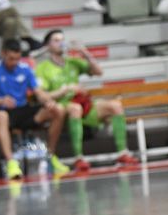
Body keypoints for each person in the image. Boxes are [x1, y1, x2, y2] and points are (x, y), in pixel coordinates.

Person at [36, 29, 138, 172]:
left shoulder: (72, 62)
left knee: (115, 106)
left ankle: (123, 153)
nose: (61, 43)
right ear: (47, 46)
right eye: (56, 40)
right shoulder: (42, 68)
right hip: (61, 106)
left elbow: (98, 72)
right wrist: (65, 90)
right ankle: (78, 158)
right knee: (75, 108)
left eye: (62, 40)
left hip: (80, 102)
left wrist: (85, 53)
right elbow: (42, 95)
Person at [0, 39, 68, 180]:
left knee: (57, 110)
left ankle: (50, 156)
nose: (14, 62)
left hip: (23, 111)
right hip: (3, 112)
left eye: (17, 58)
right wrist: (1, 100)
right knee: (1, 116)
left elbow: (38, 92)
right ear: (3, 54)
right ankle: (11, 163)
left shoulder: (25, 69)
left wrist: (48, 101)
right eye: (11, 59)